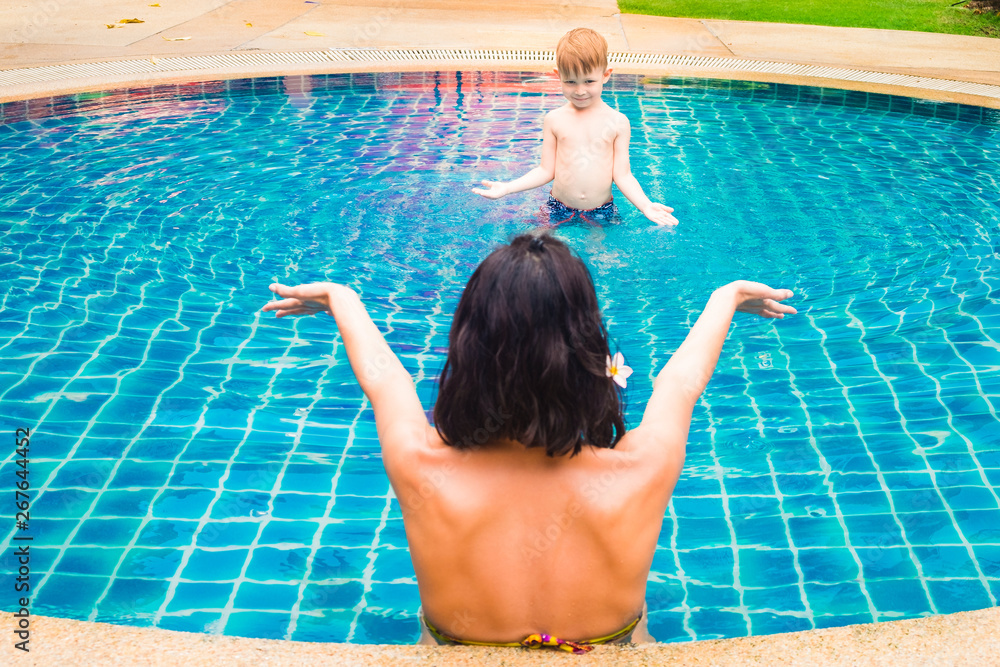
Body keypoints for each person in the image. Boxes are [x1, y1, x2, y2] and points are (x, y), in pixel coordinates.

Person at [262, 233, 795, 653]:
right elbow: (681, 383)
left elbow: (385, 381)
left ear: (467, 349)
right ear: (590, 351)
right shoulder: (639, 471)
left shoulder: (421, 466)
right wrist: (726, 298)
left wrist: (341, 299)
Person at [472, 28, 679, 228]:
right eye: (570, 82)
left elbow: (623, 175)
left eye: (589, 81)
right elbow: (546, 170)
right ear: (558, 75)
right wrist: (507, 188)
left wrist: (645, 206)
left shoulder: (618, 122)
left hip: (601, 209)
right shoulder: (554, 119)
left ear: (606, 75)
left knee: (602, 258)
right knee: (537, 248)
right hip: (557, 206)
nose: (580, 91)